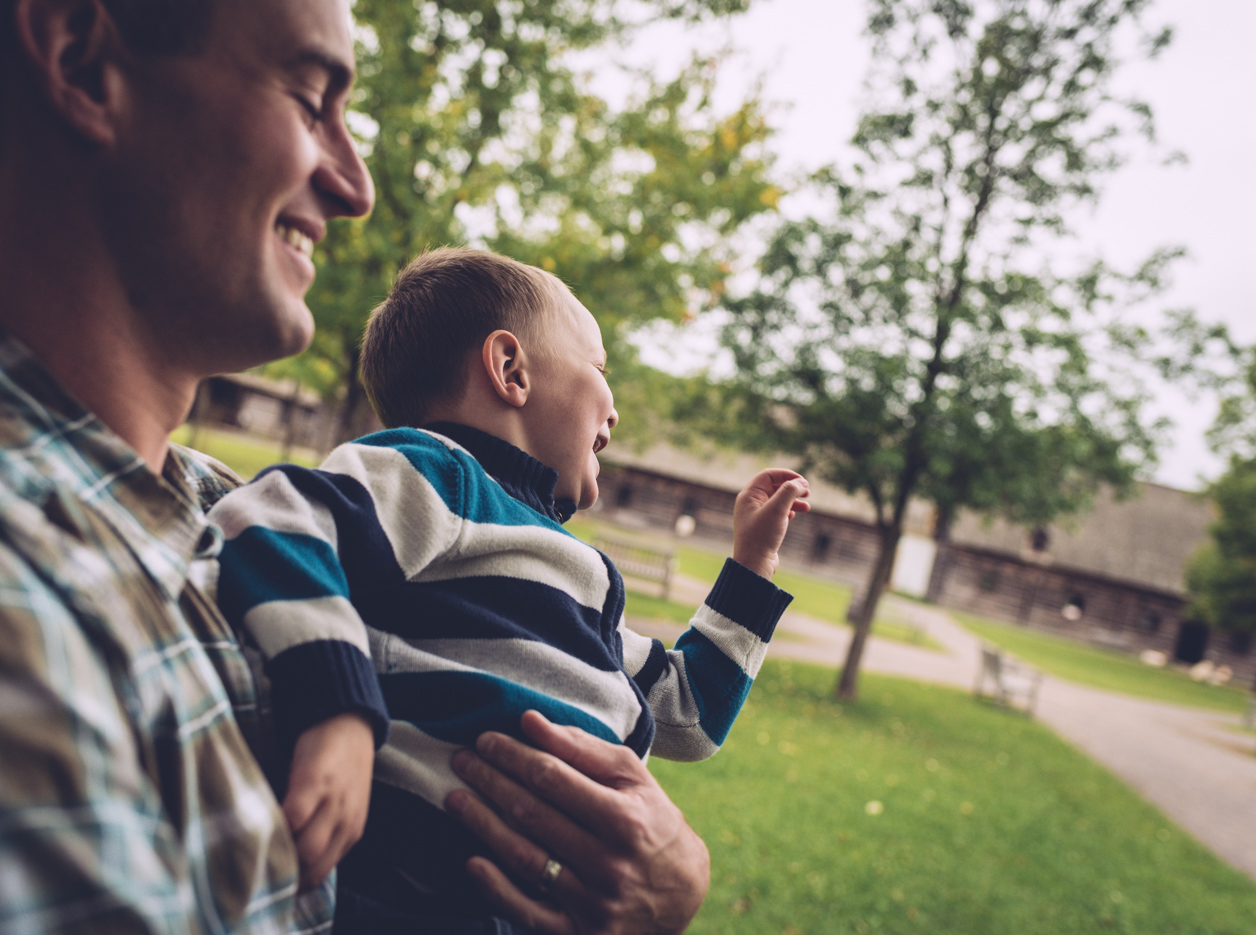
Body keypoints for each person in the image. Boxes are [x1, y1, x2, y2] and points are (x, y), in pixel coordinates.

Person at [0, 1, 720, 932]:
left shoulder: (203, 504)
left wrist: (660, 880)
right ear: (80, 61)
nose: (356, 187)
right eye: (313, 100)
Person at [208, 247, 812, 930]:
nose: (614, 409)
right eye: (601, 369)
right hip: (407, 890)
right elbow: (271, 518)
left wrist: (752, 565)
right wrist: (337, 708)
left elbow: (689, 712)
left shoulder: (573, 576)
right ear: (510, 370)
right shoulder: (433, 475)